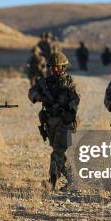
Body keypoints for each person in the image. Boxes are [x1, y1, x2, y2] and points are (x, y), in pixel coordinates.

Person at [29, 52, 80, 191]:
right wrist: (38, 97)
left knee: (57, 151)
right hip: (50, 122)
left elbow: (76, 99)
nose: (56, 70)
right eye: (53, 67)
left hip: (65, 121)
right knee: (59, 152)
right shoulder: (45, 83)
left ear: (64, 67)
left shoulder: (70, 82)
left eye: (59, 67)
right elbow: (31, 92)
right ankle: (73, 180)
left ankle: (52, 182)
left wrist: (68, 109)